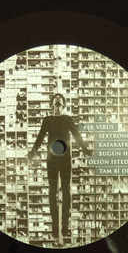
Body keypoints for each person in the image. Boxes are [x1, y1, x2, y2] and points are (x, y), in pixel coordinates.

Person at [27, 93, 91, 243]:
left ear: (63, 104)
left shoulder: (67, 119)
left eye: (60, 100)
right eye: (55, 99)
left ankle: (65, 224)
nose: (57, 101)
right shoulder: (47, 120)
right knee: (52, 190)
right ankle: (55, 225)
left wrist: (85, 149)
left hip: (65, 158)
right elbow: (40, 137)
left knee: (66, 190)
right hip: (52, 159)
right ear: (52, 104)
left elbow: (76, 135)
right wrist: (32, 153)